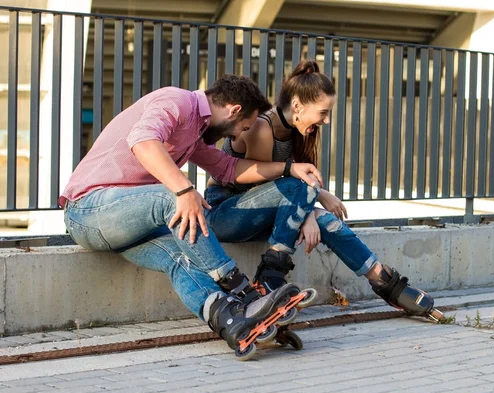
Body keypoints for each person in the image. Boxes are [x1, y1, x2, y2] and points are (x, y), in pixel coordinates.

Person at [60, 75, 324, 359]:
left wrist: (288, 168)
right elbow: (143, 139)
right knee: (170, 197)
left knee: (180, 258)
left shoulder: (195, 132)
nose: (236, 137)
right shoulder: (176, 101)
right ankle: (245, 293)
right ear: (234, 110)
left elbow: (228, 168)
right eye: (243, 128)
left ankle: (232, 321)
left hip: (129, 223)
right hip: (88, 210)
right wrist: (184, 189)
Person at [205, 61, 443, 321]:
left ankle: (385, 282)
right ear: (297, 106)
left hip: (258, 211)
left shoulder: (293, 131)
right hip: (225, 212)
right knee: (302, 187)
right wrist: (308, 212)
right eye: (323, 112)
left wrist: (316, 203)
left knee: (327, 221)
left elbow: (286, 187)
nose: (327, 120)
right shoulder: (263, 128)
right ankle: (268, 279)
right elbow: (269, 187)